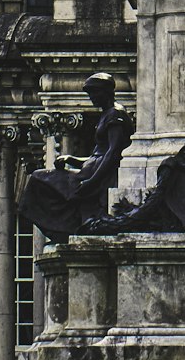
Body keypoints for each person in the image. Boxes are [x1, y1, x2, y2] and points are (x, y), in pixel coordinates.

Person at [18, 72, 132, 240]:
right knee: (39, 180)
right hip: (90, 171)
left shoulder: (116, 114)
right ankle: (65, 228)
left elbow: (113, 153)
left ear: (105, 91)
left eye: (94, 93)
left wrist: (92, 182)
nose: (92, 98)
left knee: (38, 179)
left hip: (99, 177)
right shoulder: (107, 114)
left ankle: (65, 228)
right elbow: (97, 155)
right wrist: (71, 159)